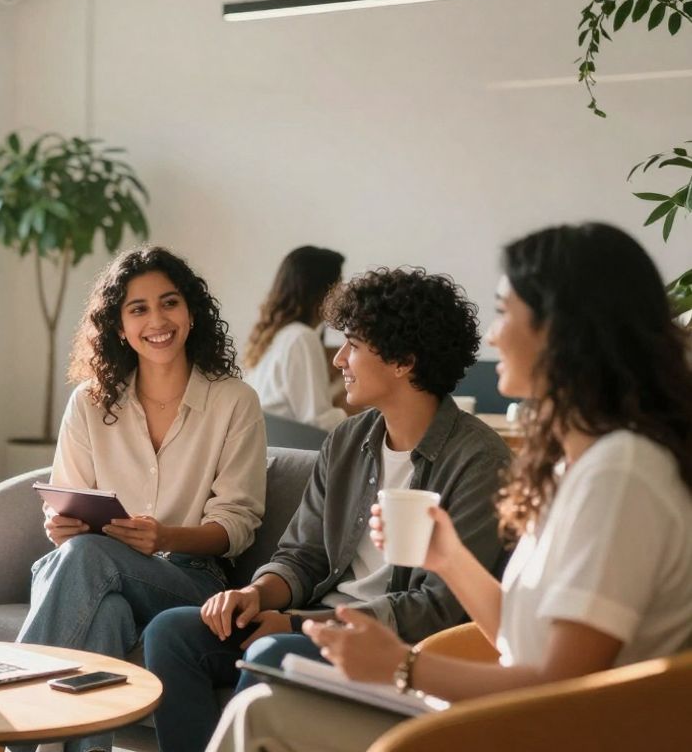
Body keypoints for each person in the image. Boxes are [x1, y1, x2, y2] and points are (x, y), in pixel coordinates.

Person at [212, 223, 692, 752]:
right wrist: (448, 558)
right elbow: (520, 636)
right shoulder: (575, 466)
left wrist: (403, 666)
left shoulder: (620, 474)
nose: (492, 336)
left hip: (551, 731)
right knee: (258, 710)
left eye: (504, 312)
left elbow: (563, 688)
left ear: (562, 330)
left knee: (260, 715)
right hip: (519, 715)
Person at [144, 267, 510, 752]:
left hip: (389, 644)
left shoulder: (479, 460)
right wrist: (256, 594)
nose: (339, 360)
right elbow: (302, 555)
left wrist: (299, 623)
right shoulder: (347, 441)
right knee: (171, 632)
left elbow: (439, 609)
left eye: (352, 345)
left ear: (403, 361)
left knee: (271, 650)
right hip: (314, 619)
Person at [16, 245, 267, 752]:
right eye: (138, 309)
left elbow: (237, 524)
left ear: (191, 313)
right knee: (104, 611)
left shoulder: (233, 401)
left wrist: (165, 536)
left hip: (192, 581)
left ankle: (6, 718)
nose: (157, 320)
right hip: (91, 567)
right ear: (119, 327)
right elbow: (65, 501)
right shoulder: (89, 402)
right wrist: (59, 525)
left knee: (86, 556)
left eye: (169, 303)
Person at [245, 246, 349, 431]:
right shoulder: (301, 337)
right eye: (339, 285)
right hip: (298, 446)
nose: (343, 295)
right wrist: (350, 407)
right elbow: (317, 423)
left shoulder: (275, 337)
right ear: (321, 291)